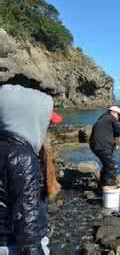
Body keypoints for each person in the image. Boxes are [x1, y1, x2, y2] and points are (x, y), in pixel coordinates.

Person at [0, 84, 62, 254]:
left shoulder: (6, 148)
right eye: (45, 121)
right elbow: (27, 225)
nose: (47, 127)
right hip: (12, 244)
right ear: (30, 120)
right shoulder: (22, 158)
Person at [89, 106, 120, 187]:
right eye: (118, 115)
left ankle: (102, 184)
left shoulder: (102, 118)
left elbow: (109, 132)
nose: (118, 117)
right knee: (112, 165)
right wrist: (119, 122)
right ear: (114, 113)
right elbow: (119, 131)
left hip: (96, 145)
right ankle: (108, 186)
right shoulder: (111, 118)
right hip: (102, 146)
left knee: (107, 165)